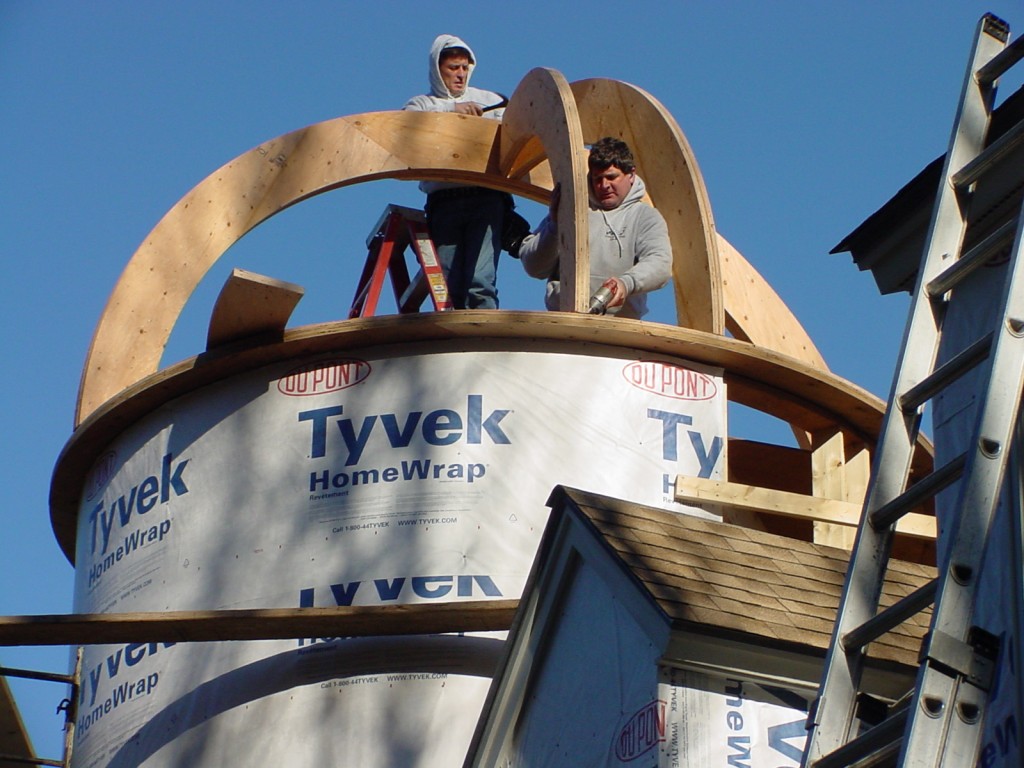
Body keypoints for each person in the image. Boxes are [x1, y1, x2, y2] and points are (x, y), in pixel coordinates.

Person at [403, 34, 516, 309]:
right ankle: (452, 344)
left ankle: (486, 344)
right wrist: (453, 110)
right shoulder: (422, 104)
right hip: (445, 203)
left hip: (485, 199)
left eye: (464, 68)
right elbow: (406, 124)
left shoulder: (489, 100)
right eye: (453, 68)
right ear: (438, 69)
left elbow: (514, 124)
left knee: (480, 283)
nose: (460, 74)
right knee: (446, 287)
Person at [518, 137, 672, 319]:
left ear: (631, 175)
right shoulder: (571, 211)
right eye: (597, 178)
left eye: (611, 177)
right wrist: (555, 226)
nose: (604, 185)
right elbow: (534, 267)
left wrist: (626, 283)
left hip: (619, 330)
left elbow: (660, 263)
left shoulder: (644, 217)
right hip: (565, 324)